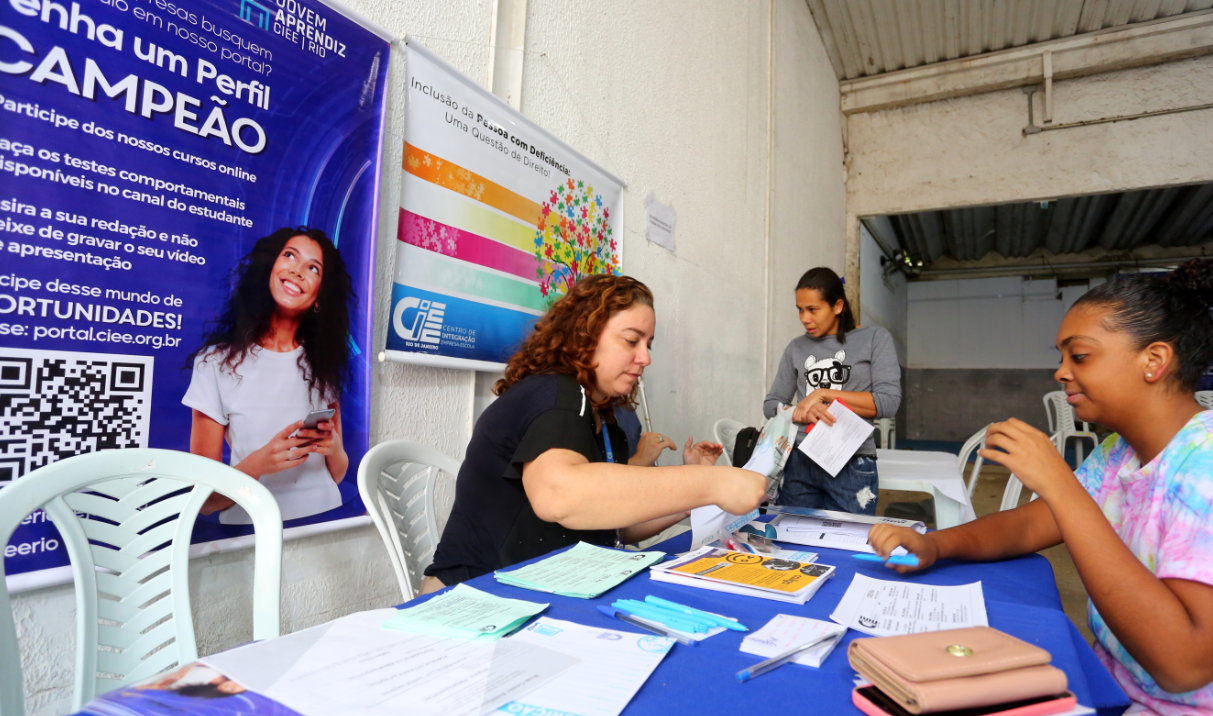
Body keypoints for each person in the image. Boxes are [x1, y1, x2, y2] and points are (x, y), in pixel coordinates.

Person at [870, 262, 1213, 716]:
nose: (1061, 373)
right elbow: (1032, 524)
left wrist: (1060, 485)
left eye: (1080, 356)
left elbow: (1184, 665)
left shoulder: (1203, 464)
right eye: (1060, 358)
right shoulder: (1117, 452)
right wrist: (935, 545)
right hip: (1111, 683)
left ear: (1154, 361)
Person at [421, 274, 768, 593]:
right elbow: (558, 495)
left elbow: (618, 526)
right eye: (632, 341)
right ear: (584, 335)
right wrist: (713, 483)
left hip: (538, 589)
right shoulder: (554, 393)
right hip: (472, 597)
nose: (645, 357)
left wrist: (696, 497)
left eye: (648, 344)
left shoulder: (606, 417)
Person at [183, 227, 355, 524]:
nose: (298, 271)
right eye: (290, 255)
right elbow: (205, 501)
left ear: (319, 297)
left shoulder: (324, 364)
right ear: (268, 269)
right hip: (253, 532)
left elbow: (335, 475)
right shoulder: (214, 363)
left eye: (313, 268)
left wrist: (335, 447)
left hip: (327, 524)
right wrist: (260, 463)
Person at [763, 267, 900, 514]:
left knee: (848, 543)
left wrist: (823, 394)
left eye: (813, 309)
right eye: (800, 310)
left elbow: (887, 402)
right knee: (793, 540)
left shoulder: (874, 339)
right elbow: (771, 404)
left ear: (837, 306)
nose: (805, 318)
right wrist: (799, 412)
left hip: (852, 463)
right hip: (800, 460)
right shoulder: (796, 347)